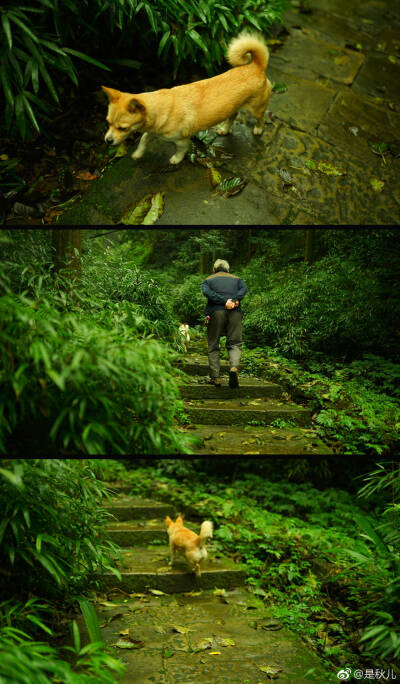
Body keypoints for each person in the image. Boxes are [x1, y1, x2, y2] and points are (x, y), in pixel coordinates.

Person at [201, 258, 247, 388]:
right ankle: (233, 368)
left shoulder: (208, 279)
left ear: (214, 269)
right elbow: (244, 290)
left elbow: (206, 292)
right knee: (235, 343)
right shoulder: (238, 279)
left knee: (213, 343)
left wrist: (223, 301)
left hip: (216, 313)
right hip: (235, 313)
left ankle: (215, 377)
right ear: (228, 269)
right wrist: (233, 300)